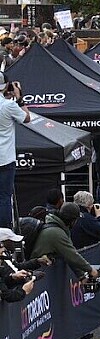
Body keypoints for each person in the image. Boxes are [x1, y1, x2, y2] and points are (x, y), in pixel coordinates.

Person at [31, 203, 99, 282]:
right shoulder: (56, 233)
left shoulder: (59, 228)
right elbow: (71, 255)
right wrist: (91, 270)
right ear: (72, 220)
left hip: (39, 271)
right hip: (35, 272)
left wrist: (81, 276)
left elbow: (68, 254)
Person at [0, 74, 31, 227]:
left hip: (6, 158)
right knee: (4, 197)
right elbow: (27, 118)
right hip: (5, 158)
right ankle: (4, 231)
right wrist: (19, 98)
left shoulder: (7, 105)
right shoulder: (9, 106)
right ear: (5, 86)